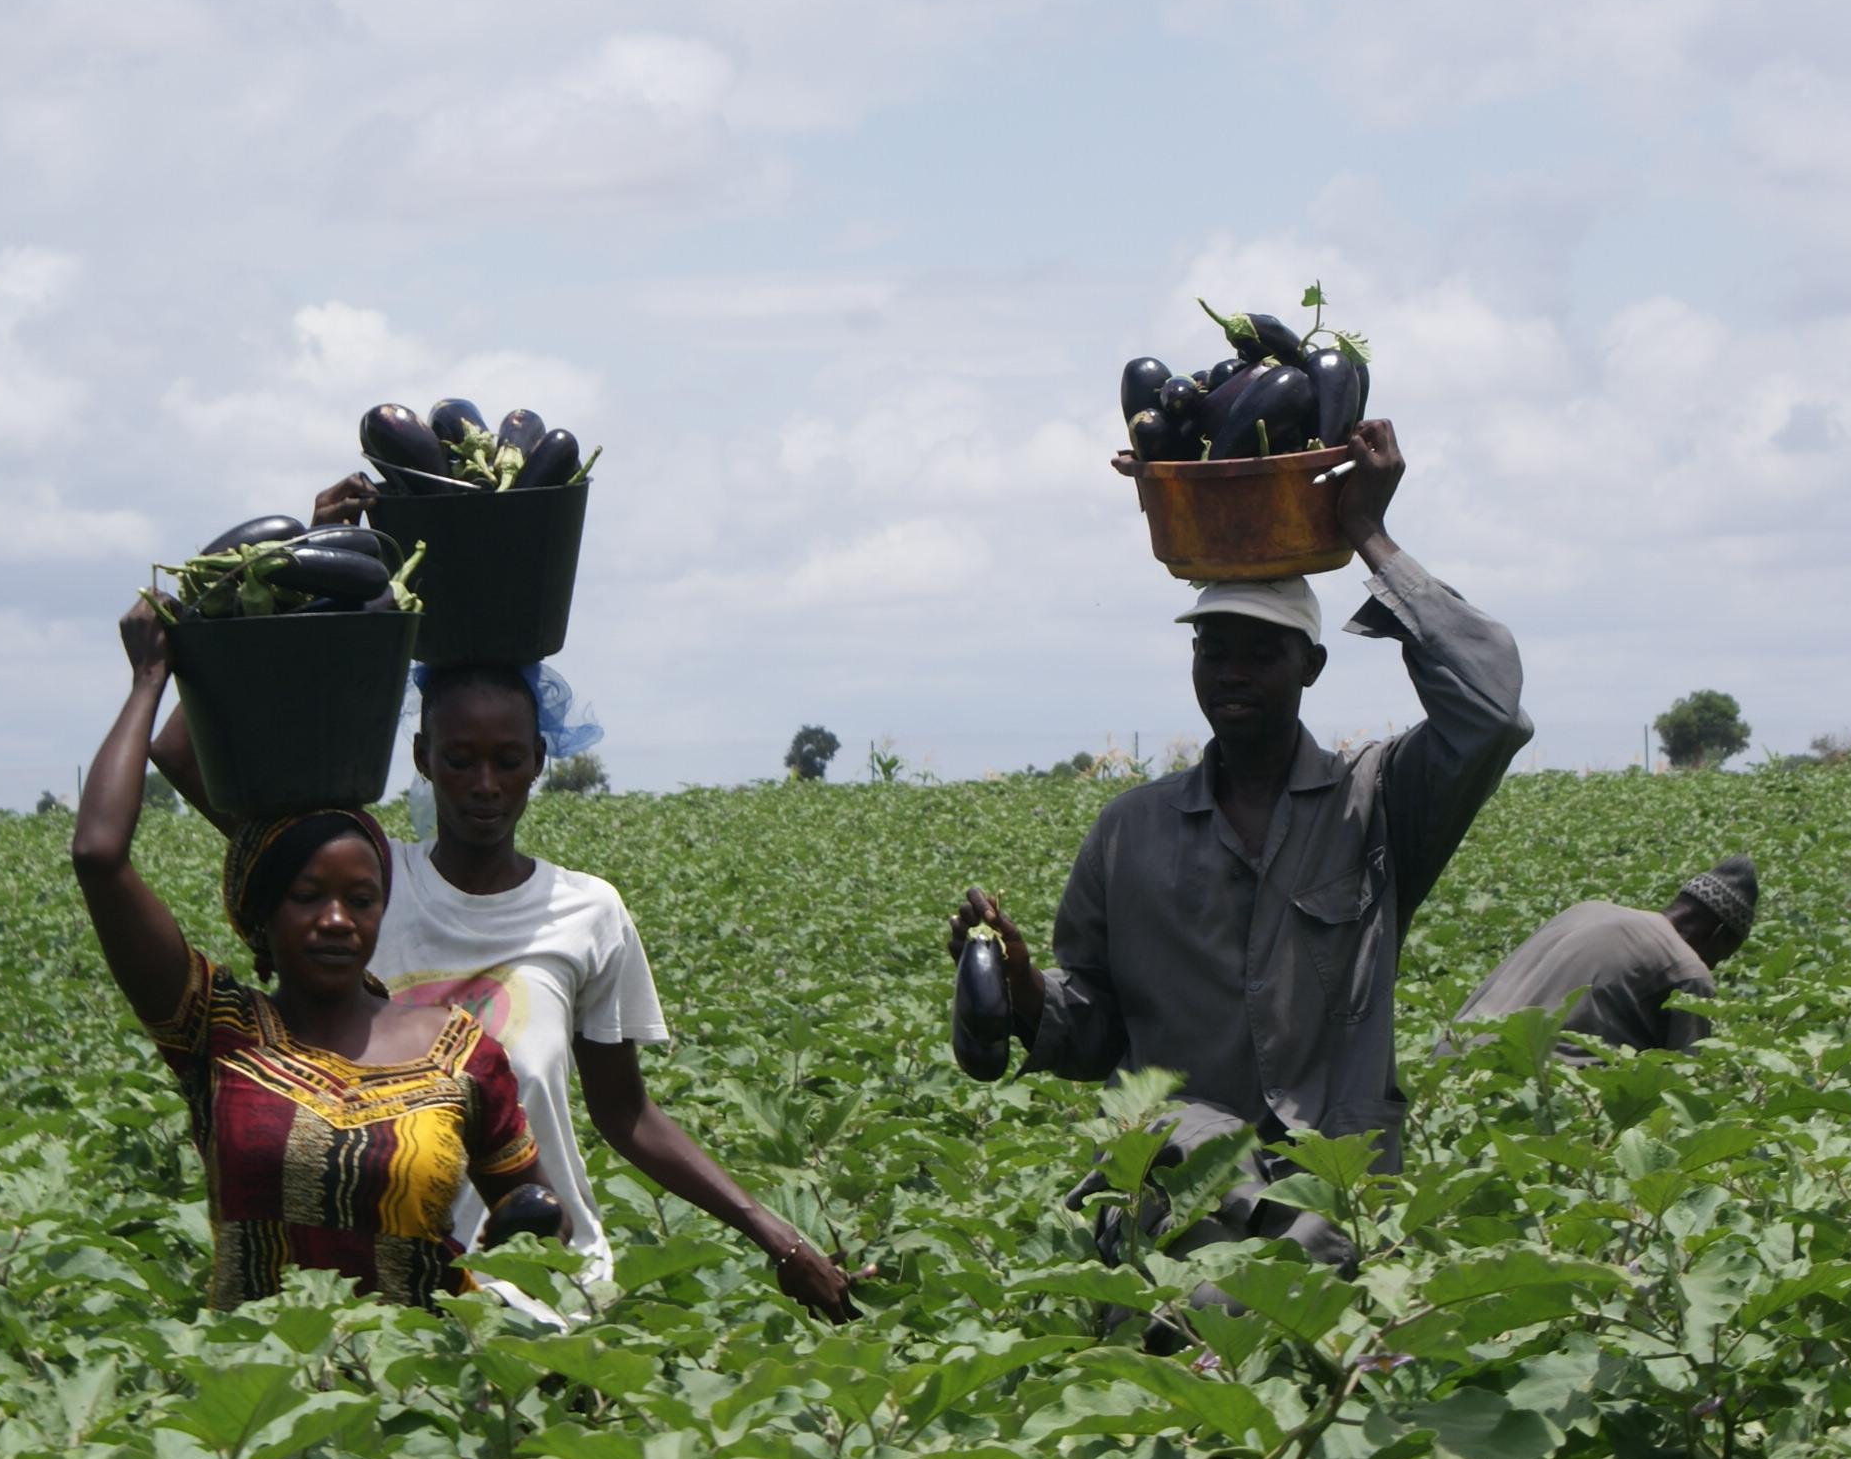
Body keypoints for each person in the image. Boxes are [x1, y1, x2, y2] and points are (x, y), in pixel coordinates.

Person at [152, 486, 855, 1323]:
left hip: (552, 1291)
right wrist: (322, 574)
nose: (483, 785)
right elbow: (180, 751)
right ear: (421, 757)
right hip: (387, 1291)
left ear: (538, 762)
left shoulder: (589, 913)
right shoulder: (358, 884)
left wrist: (774, 1233)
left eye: (506, 759)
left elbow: (627, 1117)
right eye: (458, 760)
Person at [948, 418, 1532, 1278]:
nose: (1232, 672)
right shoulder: (1130, 832)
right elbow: (1096, 1030)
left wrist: (1367, 533)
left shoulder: (1374, 808)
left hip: (1335, 1214)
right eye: (1213, 651)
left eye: (1263, 654)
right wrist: (1029, 991)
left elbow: (1490, 712)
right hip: (1179, 1220)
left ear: (1313, 667)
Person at [74, 601, 557, 1312]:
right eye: (308, 897)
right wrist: (150, 680)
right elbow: (98, 855)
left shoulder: (459, 1052)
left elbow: (530, 1206)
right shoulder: (218, 1031)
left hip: (424, 1397)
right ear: (261, 915)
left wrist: (525, 1224)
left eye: (361, 899)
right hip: (258, 1395)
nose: (337, 920)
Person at [1437, 856, 1757, 1060]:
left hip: (1448, 1057)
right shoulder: (1690, 971)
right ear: (1717, 935)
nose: (1716, 966)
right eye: (1726, 954)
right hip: (1516, 1087)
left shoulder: (1589, 910)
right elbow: (1685, 1085)